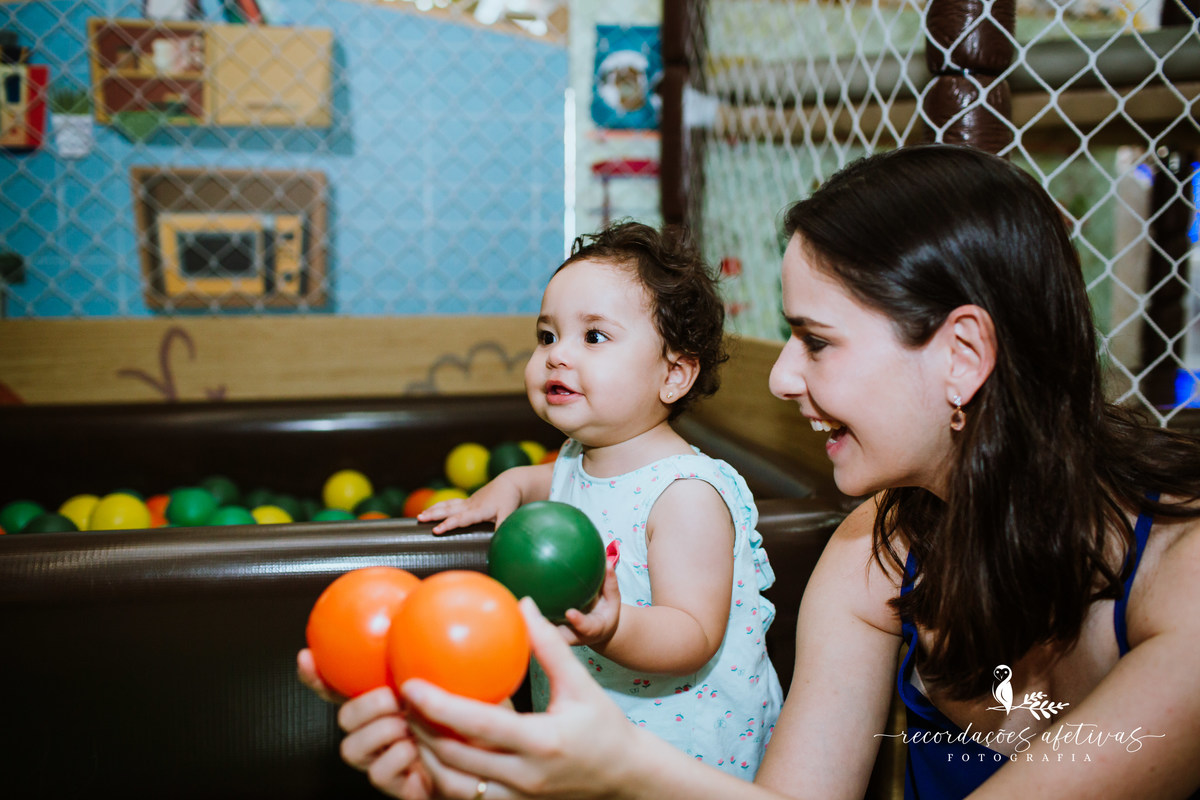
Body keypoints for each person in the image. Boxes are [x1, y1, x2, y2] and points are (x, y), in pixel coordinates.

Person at [303, 145, 1200, 800]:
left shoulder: (1183, 581)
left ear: (962, 355)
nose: (780, 376)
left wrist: (620, 775)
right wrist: (492, 774)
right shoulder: (876, 550)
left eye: (815, 341)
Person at [300, 220, 784, 785]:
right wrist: (503, 489)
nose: (556, 357)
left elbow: (693, 634)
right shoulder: (580, 455)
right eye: (547, 336)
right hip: (587, 739)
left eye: (594, 337)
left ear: (673, 374)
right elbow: (543, 480)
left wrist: (613, 626)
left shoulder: (686, 494)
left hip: (683, 752)